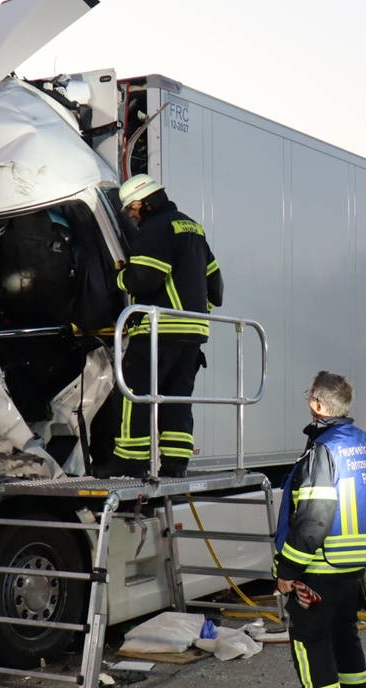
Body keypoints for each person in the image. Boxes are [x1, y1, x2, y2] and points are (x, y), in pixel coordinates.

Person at [272, 371, 366, 688]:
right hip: (354, 567)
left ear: (318, 405)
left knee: (312, 642)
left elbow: (314, 519)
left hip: (319, 569)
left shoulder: (323, 451)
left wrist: (287, 571)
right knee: (345, 637)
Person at [105, 174, 223, 477]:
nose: (131, 215)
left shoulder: (156, 228)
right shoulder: (193, 228)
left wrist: (120, 276)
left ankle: (130, 462)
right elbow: (217, 290)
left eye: (132, 208)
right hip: (193, 333)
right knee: (176, 399)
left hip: (161, 330)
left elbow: (144, 279)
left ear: (145, 202)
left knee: (134, 392)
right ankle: (175, 463)